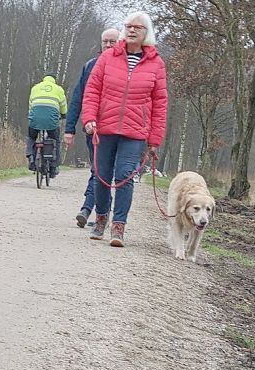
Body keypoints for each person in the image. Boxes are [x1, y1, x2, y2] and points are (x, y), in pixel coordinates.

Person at [82, 12, 168, 247]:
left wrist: (154, 140)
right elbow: (92, 91)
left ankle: (118, 226)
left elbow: (160, 103)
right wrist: (89, 118)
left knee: (124, 178)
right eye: (128, 26)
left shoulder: (156, 63)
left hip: (135, 132)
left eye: (137, 27)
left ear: (146, 33)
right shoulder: (108, 57)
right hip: (105, 127)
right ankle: (101, 220)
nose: (132, 30)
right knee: (101, 176)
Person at [64, 28, 120, 227]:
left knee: (102, 171)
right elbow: (78, 98)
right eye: (105, 41)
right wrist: (69, 128)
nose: (108, 45)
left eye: (112, 41)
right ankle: (99, 212)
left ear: (120, 43)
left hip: (116, 131)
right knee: (99, 171)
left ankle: (89, 209)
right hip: (93, 129)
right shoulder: (90, 66)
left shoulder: (125, 67)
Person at [26, 73, 68, 178]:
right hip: (51, 120)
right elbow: (63, 105)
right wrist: (63, 115)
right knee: (56, 140)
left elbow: (31, 105)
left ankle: (31, 156)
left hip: (35, 118)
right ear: (54, 80)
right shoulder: (58, 89)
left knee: (31, 137)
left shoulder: (35, 87)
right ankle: (54, 167)